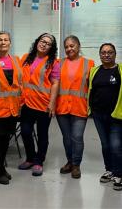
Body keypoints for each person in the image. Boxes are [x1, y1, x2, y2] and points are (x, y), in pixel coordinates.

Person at [18, 33, 59, 176]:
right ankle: (30, 158)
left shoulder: (53, 62)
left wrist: (52, 103)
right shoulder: (25, 58)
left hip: (43, 104)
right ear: (37, 41)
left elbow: (55, 83)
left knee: (42, 135)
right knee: (25, 132)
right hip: (26, 104)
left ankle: (39, 161)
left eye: (48, 43)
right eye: (42, 41)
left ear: (51, 48)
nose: (44, 44)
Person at [0, 31, 23, 185]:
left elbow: (19, 84)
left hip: (12, 108)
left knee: (7, 138)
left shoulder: (16, 60)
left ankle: (0, 167)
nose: (3, 42)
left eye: (6, 40)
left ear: (10, 43)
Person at [56, 35, 94, 179]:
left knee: (77, 137)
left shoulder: (89, 64)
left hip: (80, 106)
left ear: (78, 46)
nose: (69, 48)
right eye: (66, 46)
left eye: (72, 45)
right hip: (62, 107)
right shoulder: (59, 63)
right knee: (67, 137)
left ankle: (76, 165)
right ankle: (70, 162)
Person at [88, 43, 122, 191]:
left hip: (116, 116)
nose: (106, 55)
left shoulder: (120, 70)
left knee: (116, 146)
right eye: (103, 52)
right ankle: (109, 170)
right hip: (98, 114)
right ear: (100, 54)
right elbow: (91, 90)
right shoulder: (94, 71)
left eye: (110, 52)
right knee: (105, 145)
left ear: (115, 54)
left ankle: (118, 174)